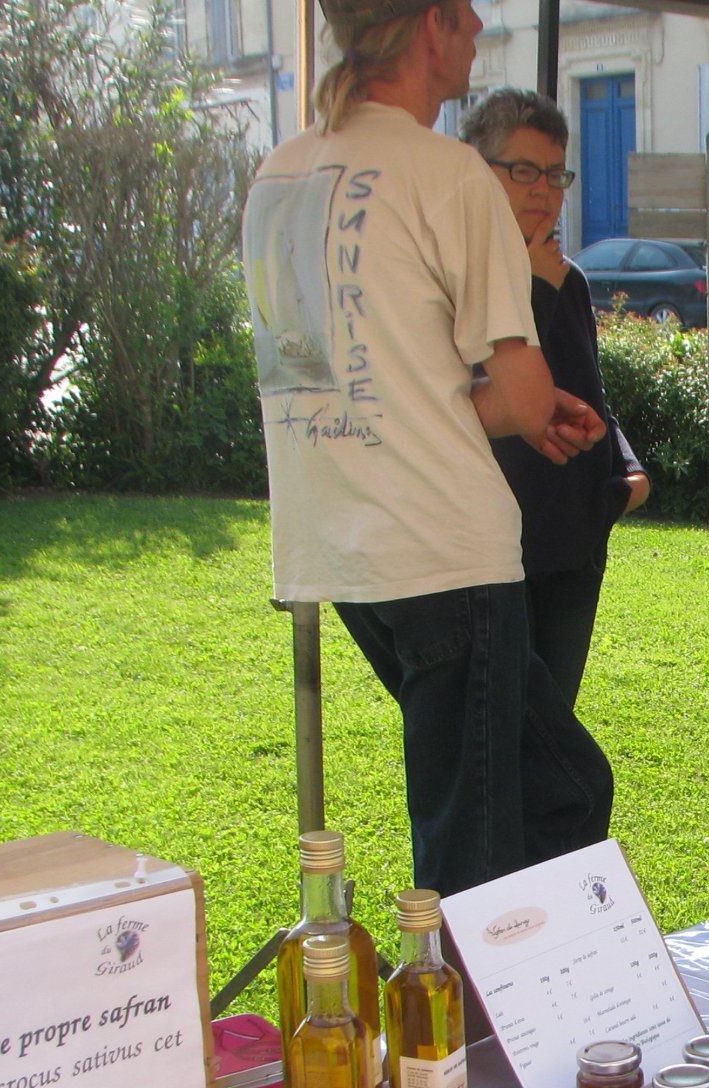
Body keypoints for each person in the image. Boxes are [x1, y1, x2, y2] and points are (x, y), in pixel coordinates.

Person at [240, 0, 612, 897]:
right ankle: (459, 988)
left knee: (564, 787)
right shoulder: (449, 174)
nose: (482, 22)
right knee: (471, 853)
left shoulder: (279, 173)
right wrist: (517, 411)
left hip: (340, 547)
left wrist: (480, 410)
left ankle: (538, 971)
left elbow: (347, 382)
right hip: (448, 554)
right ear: (431, 25)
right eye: (466, 9)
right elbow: (521, 394)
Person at [459, 89, 650, 704]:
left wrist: (628, 474)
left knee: (553, 722)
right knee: (504, 728)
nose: (543, 190)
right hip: (497, 554)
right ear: (478, 170)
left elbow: (588, 390)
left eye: (555, 173)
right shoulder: (457, 276)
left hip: (574, 544)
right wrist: (532, 286)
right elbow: (506, 394)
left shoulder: (570, 280)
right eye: (523, 171)